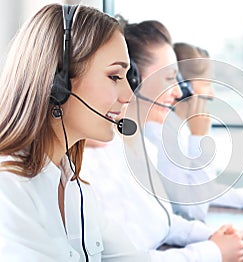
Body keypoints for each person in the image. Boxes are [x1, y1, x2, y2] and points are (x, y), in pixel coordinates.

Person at [80, 20, 243, 262]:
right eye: (169, 78)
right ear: (133, 79)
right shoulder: (93, 158)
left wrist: (214, 235)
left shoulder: (133, 144)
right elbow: (125, 257)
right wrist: (213, 252)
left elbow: (160, 221)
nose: (179, 93)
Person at [0, 4, 148, 261]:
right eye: (114, 76)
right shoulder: (8, 190)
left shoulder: (75, 187)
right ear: (58, 82)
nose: (127, 96)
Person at [142, 41, 243, 221]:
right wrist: (199, 138)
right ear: (185, 86)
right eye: (207, 83)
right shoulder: (159, 135)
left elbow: (200, 189)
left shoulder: (181, 129)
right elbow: (193, 209)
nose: (212, 94)